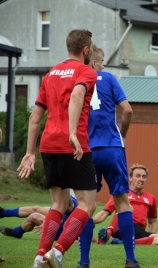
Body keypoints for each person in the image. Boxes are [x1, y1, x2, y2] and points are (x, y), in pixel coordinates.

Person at [17, 29, 98, 268]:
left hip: (48, 145)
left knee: (58, 204)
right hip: (74, 144)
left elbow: (35, 117)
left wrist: (30, 152)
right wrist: (72, 133)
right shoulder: (86, 71)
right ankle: (58, 251)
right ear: (85, 50)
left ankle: (40, 256)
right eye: (91, 47)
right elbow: (77, 95)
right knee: (87, 204)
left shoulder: (51, 73)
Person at [76, 45, 139, 268]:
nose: (103, 66)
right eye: (101, 62)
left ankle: (84, 261)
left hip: (87, 150)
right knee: (123, 204)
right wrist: (122, 134)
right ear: (95, 63)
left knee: (86, 206)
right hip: (112, 147)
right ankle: (130, 260)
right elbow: (128, 110)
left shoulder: (78, 80)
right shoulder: (109, 78)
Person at [92, 164, 158, 246]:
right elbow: (104, 213)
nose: (141, 179)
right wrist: (87, 223)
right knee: (126, 209)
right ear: (130, 178)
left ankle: (122, 242)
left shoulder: (151, 198)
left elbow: (152, 222)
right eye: (138, 176)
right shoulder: (122, 194)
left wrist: (152, 236)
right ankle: (108, 233)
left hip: (138, 231)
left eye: (144, 177)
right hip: (121, 227)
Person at [0, 196, 77, 240]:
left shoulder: (72, 202)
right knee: (35, 209)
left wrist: (48, 223)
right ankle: (3, 213)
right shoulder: (66, 194)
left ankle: (16, 232)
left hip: (63, 230)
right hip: (63, 216)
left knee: (34, 216)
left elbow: (60, 219)